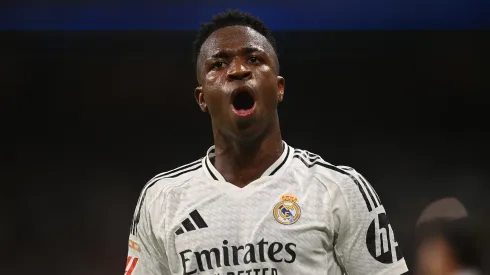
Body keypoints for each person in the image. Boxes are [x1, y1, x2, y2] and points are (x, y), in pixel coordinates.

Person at [125, 10, 408, 275]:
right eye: (219, 64)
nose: (238, 71)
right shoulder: (162, 198)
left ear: (279, 87)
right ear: (202, 98)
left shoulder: (339, 189)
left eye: (254, 59)